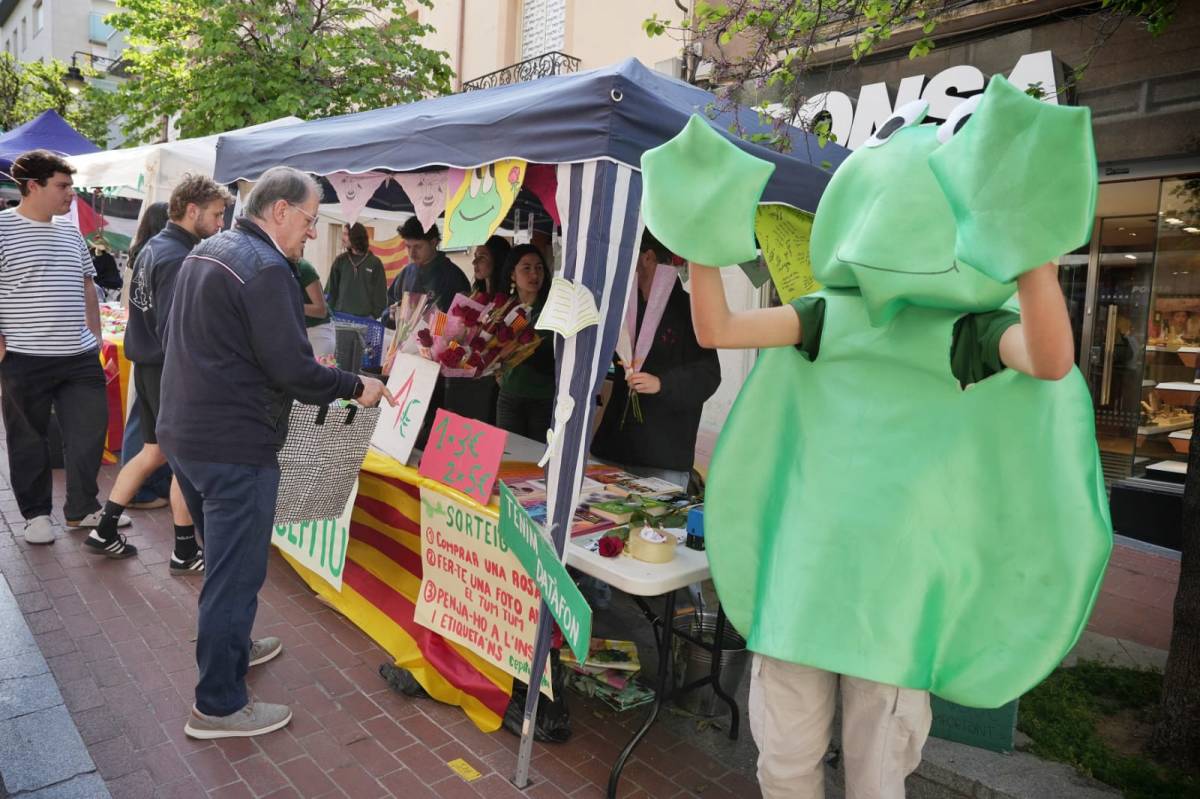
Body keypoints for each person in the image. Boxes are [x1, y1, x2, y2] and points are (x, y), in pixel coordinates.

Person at [688, 259, 1075, 798]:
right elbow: (719, 329)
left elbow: (1050, 360)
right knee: (784, 763)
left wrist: (1033, 260)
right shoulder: (829, 312)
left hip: (894, 594)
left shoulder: (967, 326)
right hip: (807, 575)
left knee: (876, 776)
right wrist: (697, 239)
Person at [157, 166, 392, 740]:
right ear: (280, 210)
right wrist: (353, 387)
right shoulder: (264, 268)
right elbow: (290, 368)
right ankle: (218, 705)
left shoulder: (209, 248)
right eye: (311, 219)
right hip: (234, 442)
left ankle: (233, 651)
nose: (313, 233)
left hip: (187, 430)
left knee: (224, 564)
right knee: (235, 576)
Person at [84, 175, 233, 569]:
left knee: (156, 452)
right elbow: (177, 329)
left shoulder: (153, 247)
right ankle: (183, 549)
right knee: (181, 458)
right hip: (170, 371)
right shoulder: (178, 257)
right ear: (193, 210)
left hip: (152, 367)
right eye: (217, 215)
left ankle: (105, 528)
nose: (220, 224)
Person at [0, 150, 119, 545]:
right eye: (63, 186)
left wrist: (97, 337)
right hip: (23, 356)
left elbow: (88, 284)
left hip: (79, 357)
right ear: (32, 187)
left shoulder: (69, 231)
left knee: (89, 432)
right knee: (28, 438)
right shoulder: (2, 228)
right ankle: (36, 515)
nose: (71, 194)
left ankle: (82, 508)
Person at [591, 232, 720, 490]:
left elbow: (709, 373)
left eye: (628, 256)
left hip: (662, 453)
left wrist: (663, 383)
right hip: (614, 447)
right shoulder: (624, 307)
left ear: (647, 257)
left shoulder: (688, 309)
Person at [121, 202, 172, 510]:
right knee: (145, 423)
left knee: (144, 422)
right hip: (154, 351)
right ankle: (137, 491)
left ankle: (144, 485)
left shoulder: (142, 253)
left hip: (142, 346)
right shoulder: (159, 255)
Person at [495, 244, 556, 438]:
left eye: (539, 268)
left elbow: (553, 356)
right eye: (526, 268)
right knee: (508, 458)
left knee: (536, 461)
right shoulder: (503, 307)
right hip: (509, 395)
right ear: (513, 274)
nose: (534, 274)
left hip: (542, 398)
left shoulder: (551, 309)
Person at [385, 217, 469, 318]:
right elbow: (388, 306)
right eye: (408, 247)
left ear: (433, 243)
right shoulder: (406, 273)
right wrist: (391, 313)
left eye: (418, 247)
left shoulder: (453, 276)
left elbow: (460, 321)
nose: (412, 253)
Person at [325, 222, 386, 319]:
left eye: (345, 234)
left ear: (355, 236)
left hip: (364, 321)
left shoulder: (375, 263)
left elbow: (381, 295)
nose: (342, 238)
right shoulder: (340, 261)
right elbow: (330, 291)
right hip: (339, 319)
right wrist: (330, 313)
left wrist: (373, 315)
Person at [296, 258, 334, 360]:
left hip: (318, 331)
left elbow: (321, 310)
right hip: (299, 332)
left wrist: (293, 305)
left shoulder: (304, 268)